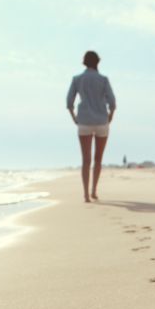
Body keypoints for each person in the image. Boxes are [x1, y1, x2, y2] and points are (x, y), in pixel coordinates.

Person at [67, 51, 116, 202]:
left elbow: (69, 102)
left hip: (84, 121)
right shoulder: (103, 79)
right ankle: (94, 190)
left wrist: (74, 117)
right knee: (98, 159)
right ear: (97, 62)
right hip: (102, 120)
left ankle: (86, 195)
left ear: (84, 62)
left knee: (86, 160)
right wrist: (110, 117)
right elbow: (112, 103)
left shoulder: (77, 79)